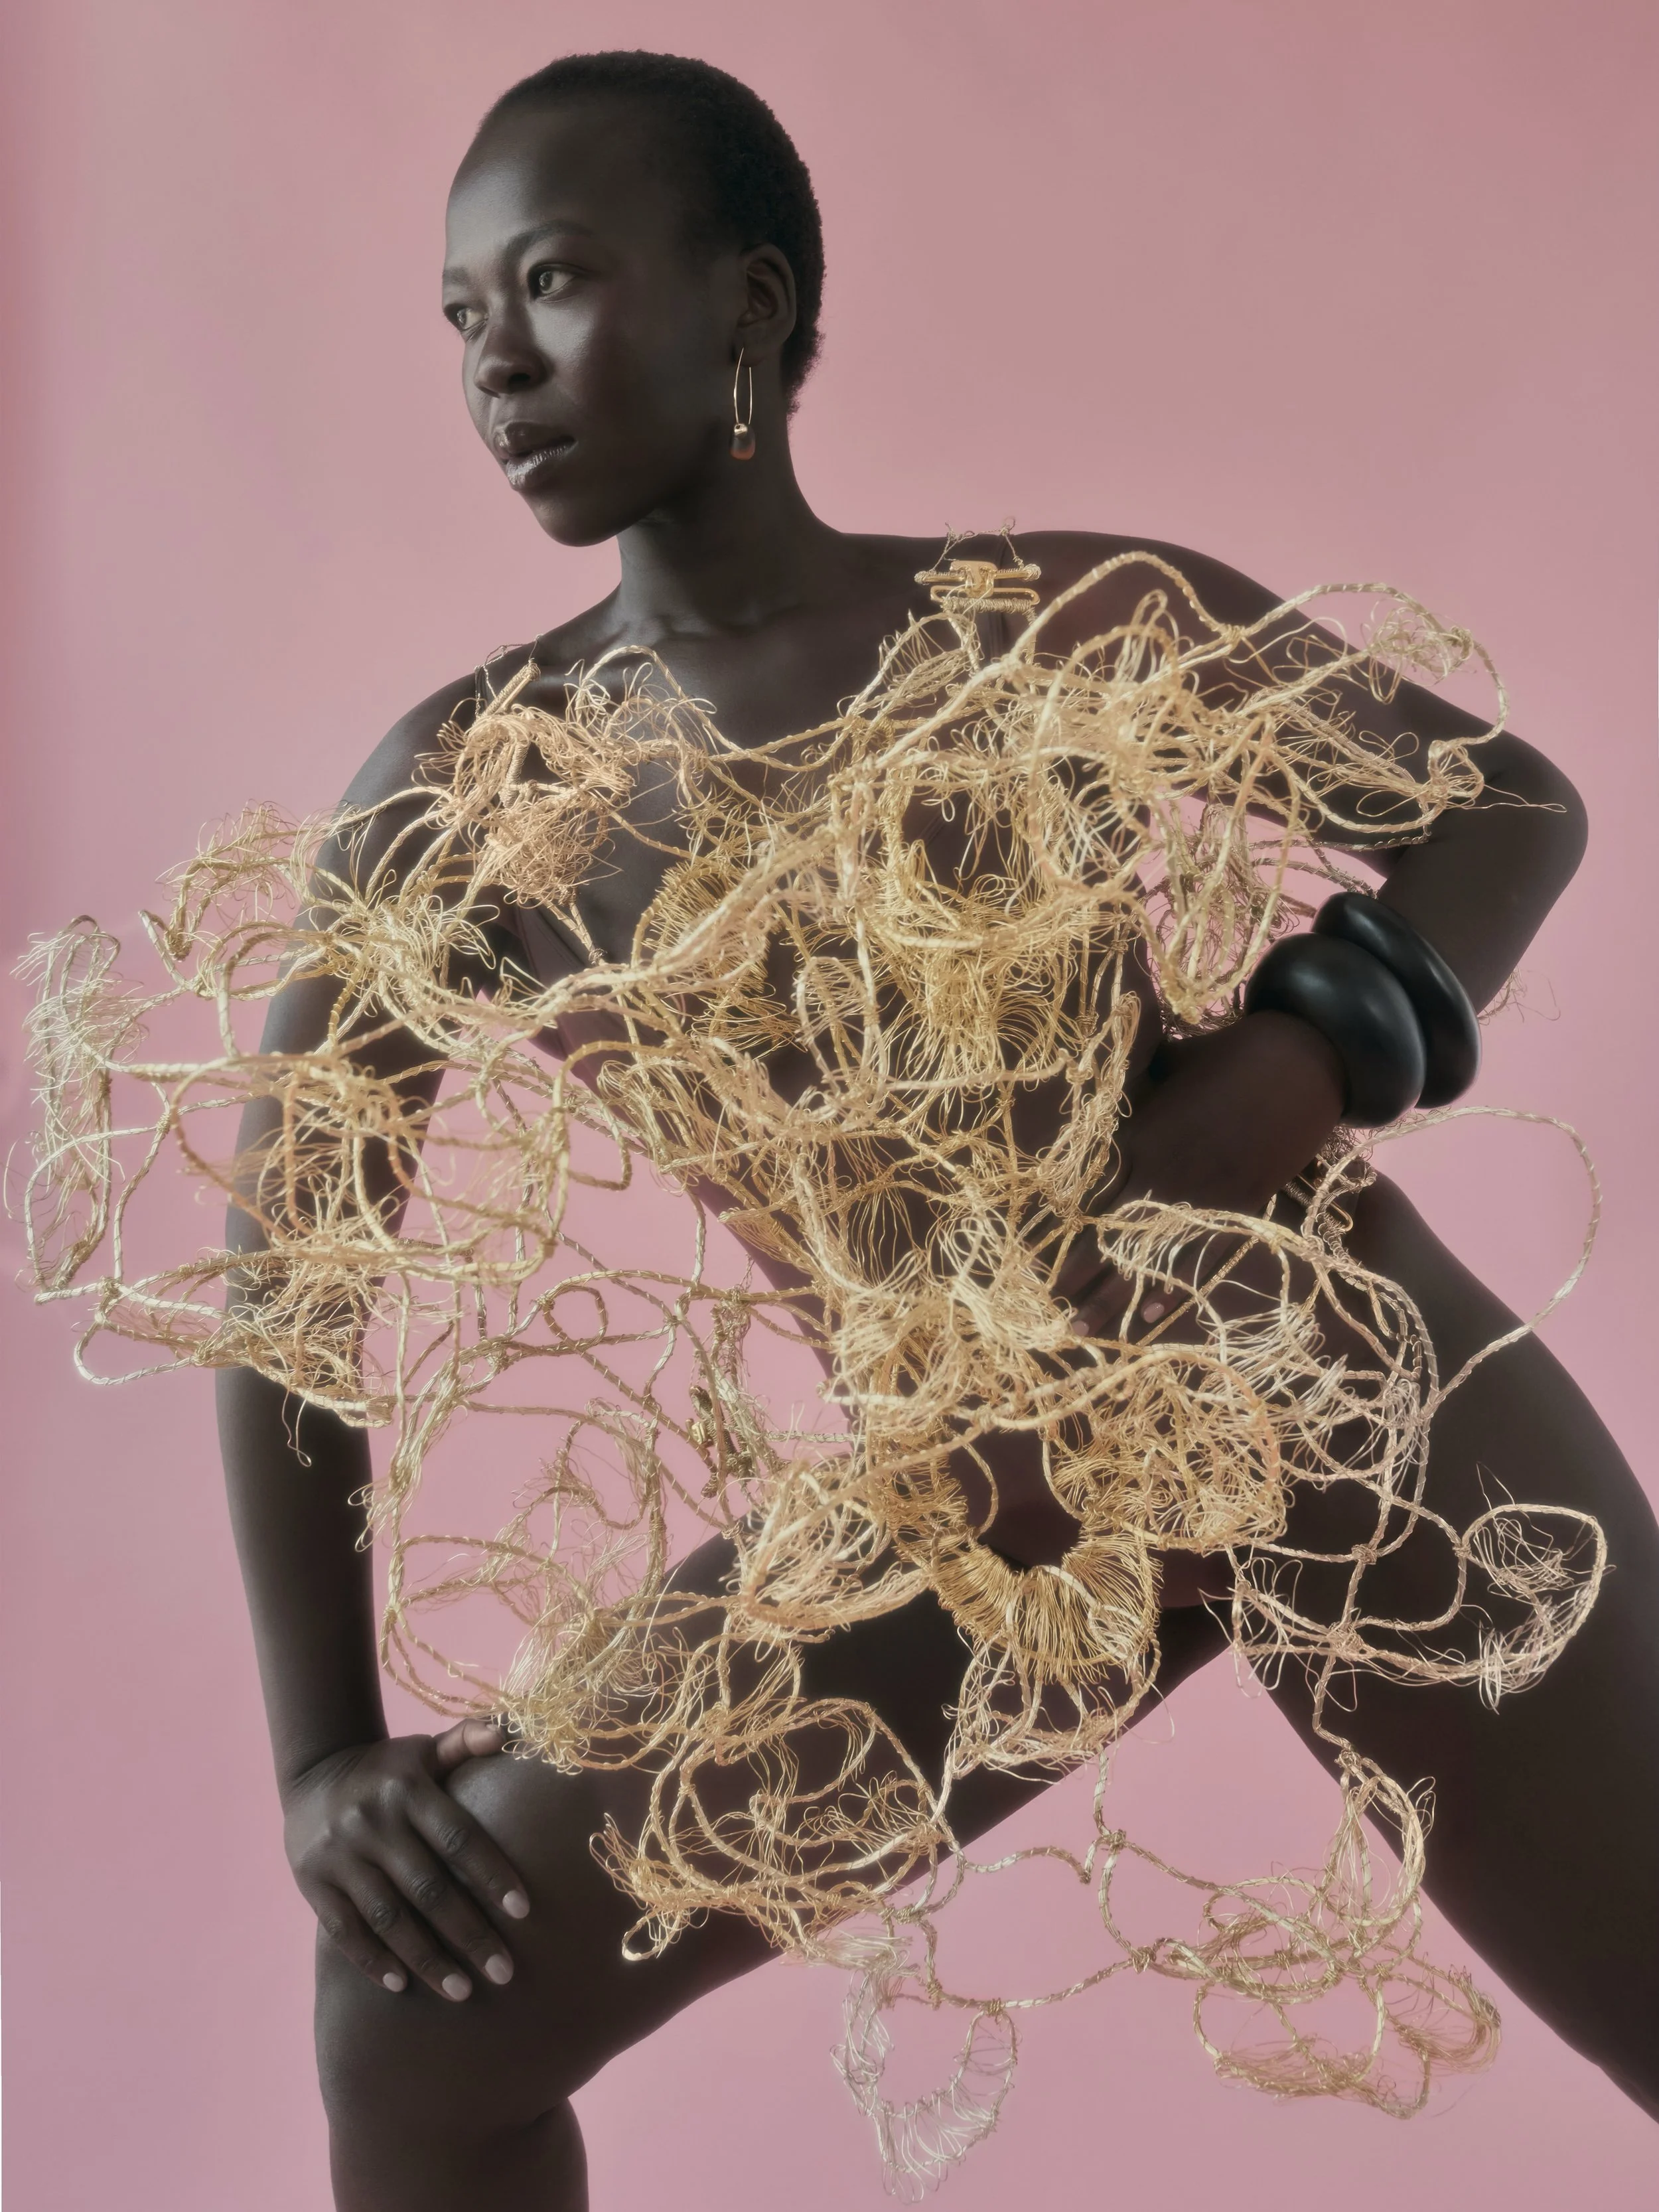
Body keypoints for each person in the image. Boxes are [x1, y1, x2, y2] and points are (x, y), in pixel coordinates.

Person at [73, 46, 1659, 2212]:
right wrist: (328, 1757)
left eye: (552, 281)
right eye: (459, 317)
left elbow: (1505, 806)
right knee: (417, 2018)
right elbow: (294, 1281)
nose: (494, 363)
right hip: (990, 1511)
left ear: (747, 301)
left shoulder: (1038, 622)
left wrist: (1276, 1074)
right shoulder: (472, 792)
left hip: (1331, 1383)